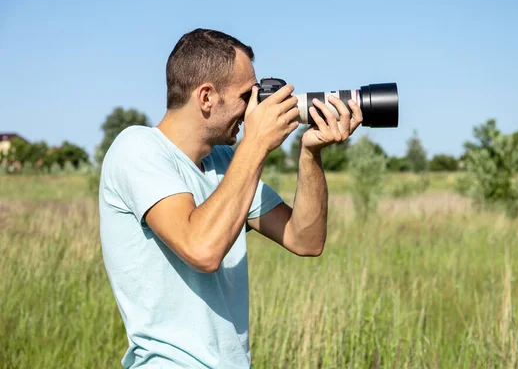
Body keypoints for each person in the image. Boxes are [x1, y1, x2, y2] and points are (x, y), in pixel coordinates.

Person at [98, 28, 363, 368]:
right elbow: (202, 249)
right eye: (246, 96)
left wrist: (310, 152)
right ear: (206, 97)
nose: (253, 108)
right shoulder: (137, 148)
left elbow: (306, 239)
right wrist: (257, 141)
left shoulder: (225, 165)